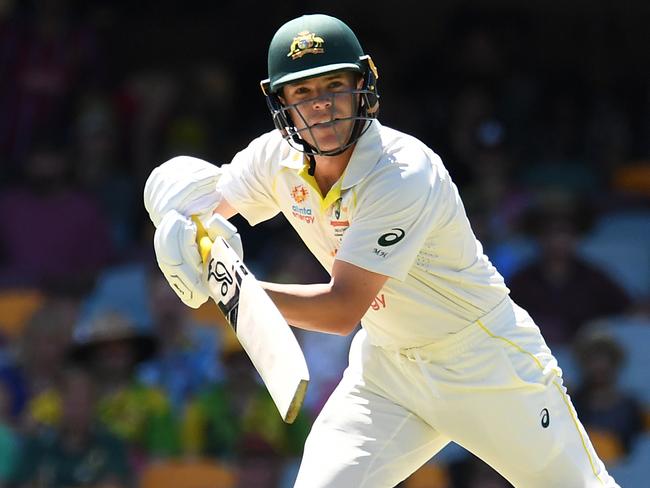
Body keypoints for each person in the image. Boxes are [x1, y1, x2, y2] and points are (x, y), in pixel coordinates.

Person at [143, 14, 619, 487]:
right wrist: (180, 221)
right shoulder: (276, 159)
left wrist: (231, 289)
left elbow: (341, 310)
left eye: (334, 85)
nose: (322, 107)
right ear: (280, 101)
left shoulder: (402, 171)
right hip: (387, 370)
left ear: (363, 85)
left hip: (484, 362)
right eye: (303, 93)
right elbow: (205, 201)